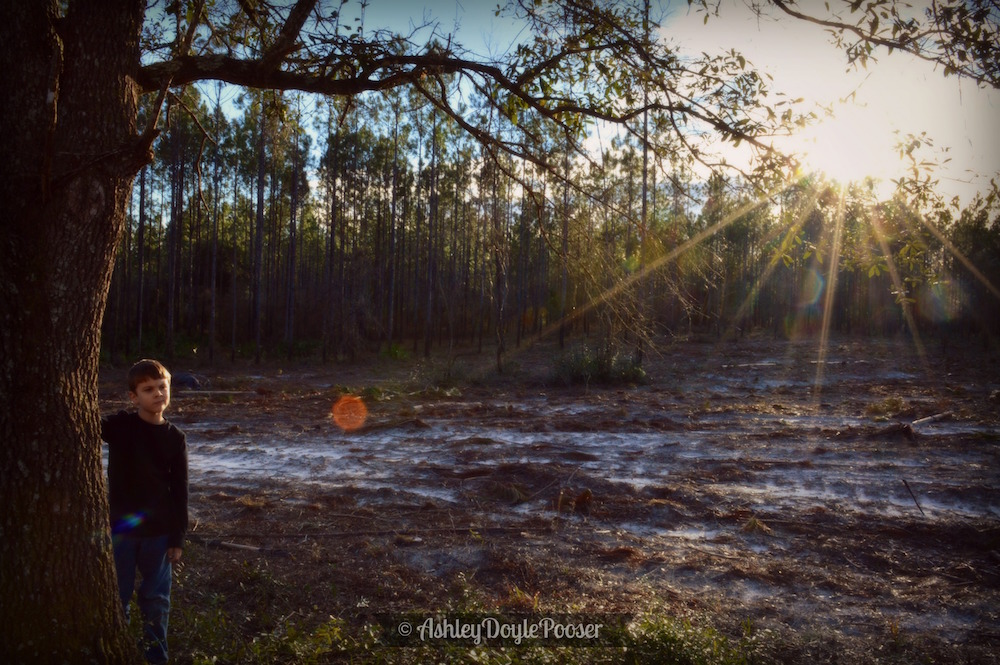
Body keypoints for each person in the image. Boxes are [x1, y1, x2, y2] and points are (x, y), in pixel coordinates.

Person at [102, 359, 189, 664]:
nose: (157, 394)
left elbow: (180, 491)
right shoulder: (121, 426)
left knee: (156, 600)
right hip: (122, 531)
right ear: (133, 396)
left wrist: (177, 537)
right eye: (148, 389)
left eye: (162, 387)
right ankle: (121, 655)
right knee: (118, 597)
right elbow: (84, 422)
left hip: (159, 533)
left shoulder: (175, 438)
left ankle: (156, 658)